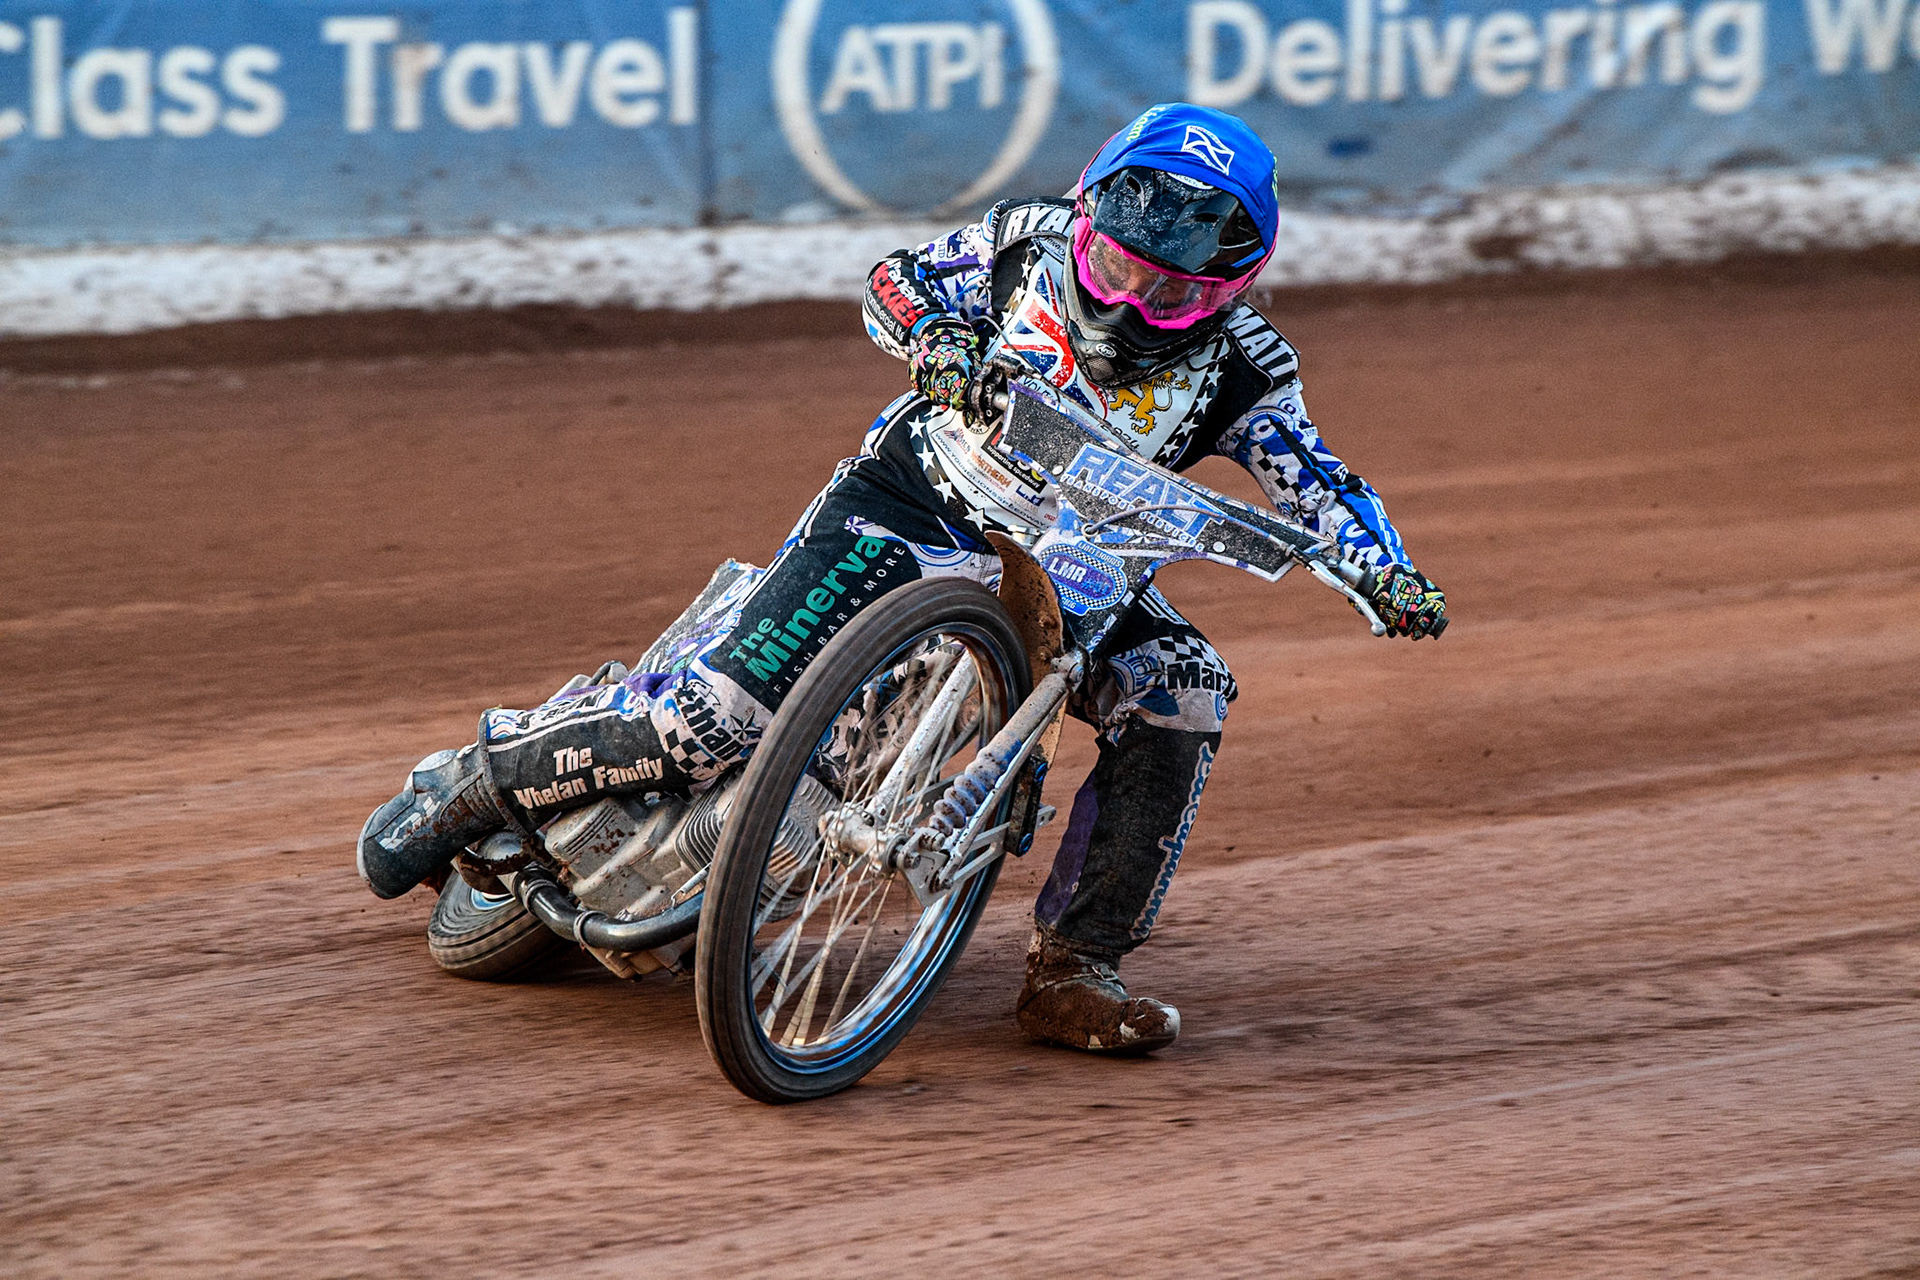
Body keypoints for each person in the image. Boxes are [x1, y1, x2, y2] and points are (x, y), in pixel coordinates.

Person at [357, 103, 1447, 1056]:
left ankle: (1075, 968)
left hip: (1087, 567)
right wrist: (935, 338)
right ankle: (481, 779)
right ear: (1089, 214)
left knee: (1185, 684)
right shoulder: (1028, 242)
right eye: (1118, 266)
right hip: (914, 502)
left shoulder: (1250, 368)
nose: (1132, 298)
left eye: (1170, 289)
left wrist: (1387, 569)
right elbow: (900, 276)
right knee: (715, 718)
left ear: (1230, 286)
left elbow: (1322, 482)